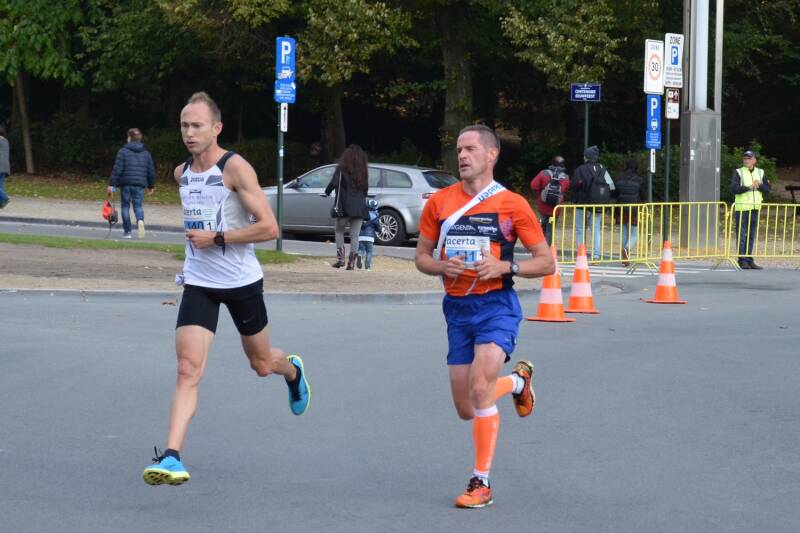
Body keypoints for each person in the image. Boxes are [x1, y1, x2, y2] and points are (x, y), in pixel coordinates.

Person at [142, 92, 311, 486]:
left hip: (241, 282)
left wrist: (218, 238)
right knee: (187, 368)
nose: (189, 132)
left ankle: (292, 372)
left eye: (197, 125)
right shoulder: (181, 173)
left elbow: (270, 228)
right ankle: (171, 457)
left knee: (261, 364)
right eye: (184, 125)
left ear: (216, 128)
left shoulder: (234, 169)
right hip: (199, 282)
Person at [415, 124, 555, 508]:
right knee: (466, 408)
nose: (462, 156)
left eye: (471, 149)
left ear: (491, 154)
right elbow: (422, 259)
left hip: (497, 305)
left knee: (480, 388)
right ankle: (517, 382)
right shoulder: (440, 203)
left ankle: (481, 482)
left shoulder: (512, 204)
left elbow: (546, 262)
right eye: (459, 149)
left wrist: (506, 268)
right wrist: (443, 266)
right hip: (458, 310)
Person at [106, 128, 157, 239]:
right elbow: (150, 171)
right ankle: (140, 220)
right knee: (138, 206)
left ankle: (127, 232)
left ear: (129, 138)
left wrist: (111, 184)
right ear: (140, 138)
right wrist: (151, 185)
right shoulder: (146, 153)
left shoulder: (123, 151)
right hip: (140, 184)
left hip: (125, 183)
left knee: (125, 206)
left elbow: (117, 170)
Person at [325, 144, 369, 269]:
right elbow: (366, 189)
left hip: (344, 206)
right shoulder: (363, 171)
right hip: (359, 207)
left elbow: (333, 183)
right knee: (355, 235)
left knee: (339, 232)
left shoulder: (342, 169)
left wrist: (327, 192)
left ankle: (340, 260)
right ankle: (351, 263)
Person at [570, 146, 615, 260]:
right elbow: (611, 186)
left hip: (581, 203)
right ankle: (596, 254)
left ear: (586, 157)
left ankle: (581, 253)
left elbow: (574, 185)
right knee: (596, 229)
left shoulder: (580, 169)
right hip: (597, 203)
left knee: (580, 229)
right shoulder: (603, 168)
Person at [731, 150, 770, 270]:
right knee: (742, 235)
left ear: (754, 160)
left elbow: (768, 189)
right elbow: (734, 189)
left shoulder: (760, 172)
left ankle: (749, 259)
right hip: (742, 207)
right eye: (745, 158)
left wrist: (760, 185)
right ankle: (742, 260)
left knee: (751, 235)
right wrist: (749, 187)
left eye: (749, 158)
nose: (746, 160)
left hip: (755, 207)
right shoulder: (738, 172)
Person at [530, 155, 570, 244]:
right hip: (555, 210)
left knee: (541, 228)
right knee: (550, 230)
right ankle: (548, 249)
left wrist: (541, 192)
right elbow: (565, 191)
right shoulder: (566, 177)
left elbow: (533, 185)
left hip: (543, 207)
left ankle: (540, 247)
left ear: (552, 163)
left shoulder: (543, 173)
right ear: (563, 165)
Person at [612, 159, 644, 266]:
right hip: (634, 208)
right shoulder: (639, 180)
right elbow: (643, 195)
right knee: (635, 234)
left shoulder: (619, 178)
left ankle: (624, 256)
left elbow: (615, 193)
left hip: (620, 207)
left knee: (624, 232)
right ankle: (626, 249)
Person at [357, 198, 381, 270]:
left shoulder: (363, 214)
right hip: (370, 237)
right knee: (369, 251)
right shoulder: (375, 216)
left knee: (361, 249)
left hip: (361, 236)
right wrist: (380, 230)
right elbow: (378, 228)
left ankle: (360, 256)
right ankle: (367, 267)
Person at [0, 124, 9, 208]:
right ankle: (1, 203)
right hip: (5, 167)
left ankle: (5, 198)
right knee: (0, 186)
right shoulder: (5, 141)